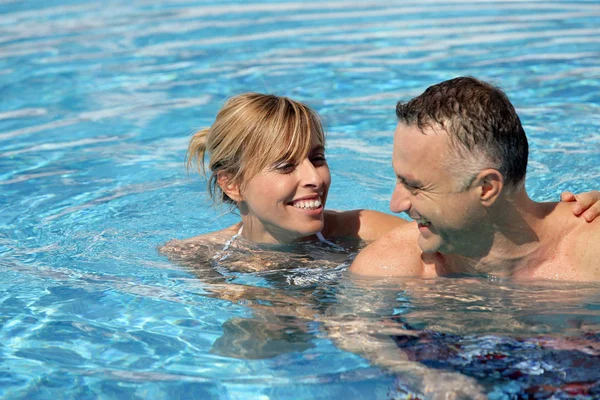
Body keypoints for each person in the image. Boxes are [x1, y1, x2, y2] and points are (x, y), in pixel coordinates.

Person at [350, 76, 600, 281]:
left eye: (414, 186)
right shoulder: (387, 268)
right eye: (399, 180)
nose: (395, 205)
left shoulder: (591, 255)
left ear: (486, 188)